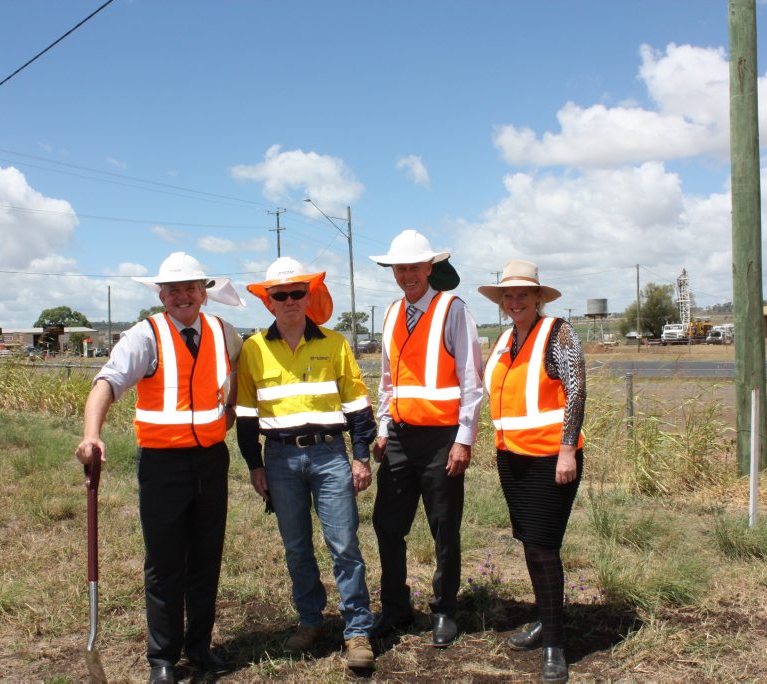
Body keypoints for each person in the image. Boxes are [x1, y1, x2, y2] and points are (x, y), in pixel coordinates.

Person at [73, 252, 244, 684]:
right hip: (162, 465)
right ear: (162, 294)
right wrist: (92, 433)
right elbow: (106, 384)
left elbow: (236, 379)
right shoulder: (144, 336)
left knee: (206, 557)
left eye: (191, 288)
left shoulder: (226, 334)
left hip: (210, 461)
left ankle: (200, 646)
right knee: (165, 561)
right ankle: (163, 657)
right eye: (174, 290)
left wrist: (227, 415)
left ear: (204, 292)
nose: (183, 296)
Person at [235, 257, 377, 670]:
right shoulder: (253, 349)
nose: (290, 300)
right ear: (269, 302)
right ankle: (310, 621)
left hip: (330, 454)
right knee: (296, 548)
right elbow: (246, 415)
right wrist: (254, 465)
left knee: (344, 546)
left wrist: (361, 456)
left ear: (308, 296)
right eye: (281, 294)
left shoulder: (334, 344)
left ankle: (357, 631)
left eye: (298, 292)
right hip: (278, 459)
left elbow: (357, 407)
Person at [368, 230, 484, 647]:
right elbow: (386, 380)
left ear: (429, 268)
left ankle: (444, 610)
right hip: (398, 437)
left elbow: (472, 379)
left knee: (444, 527)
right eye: (400, 268)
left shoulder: (453, 309)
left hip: (441, 439)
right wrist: (383, 429)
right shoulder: (391, 313)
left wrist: (464, 439)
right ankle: (396, 608)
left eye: (414, 267)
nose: (406, 275)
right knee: (386, 525)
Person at [478, 259, 586, 684]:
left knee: (543, 546)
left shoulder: (557, 332)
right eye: (509, 294)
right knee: (529, 543)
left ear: (539, 297)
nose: (515, 300)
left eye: (524, 294)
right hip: (512, 458)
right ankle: (546, 618)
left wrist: (566, 451)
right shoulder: (504, 340)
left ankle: (555, 644)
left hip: (550, 459)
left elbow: (576, 393)